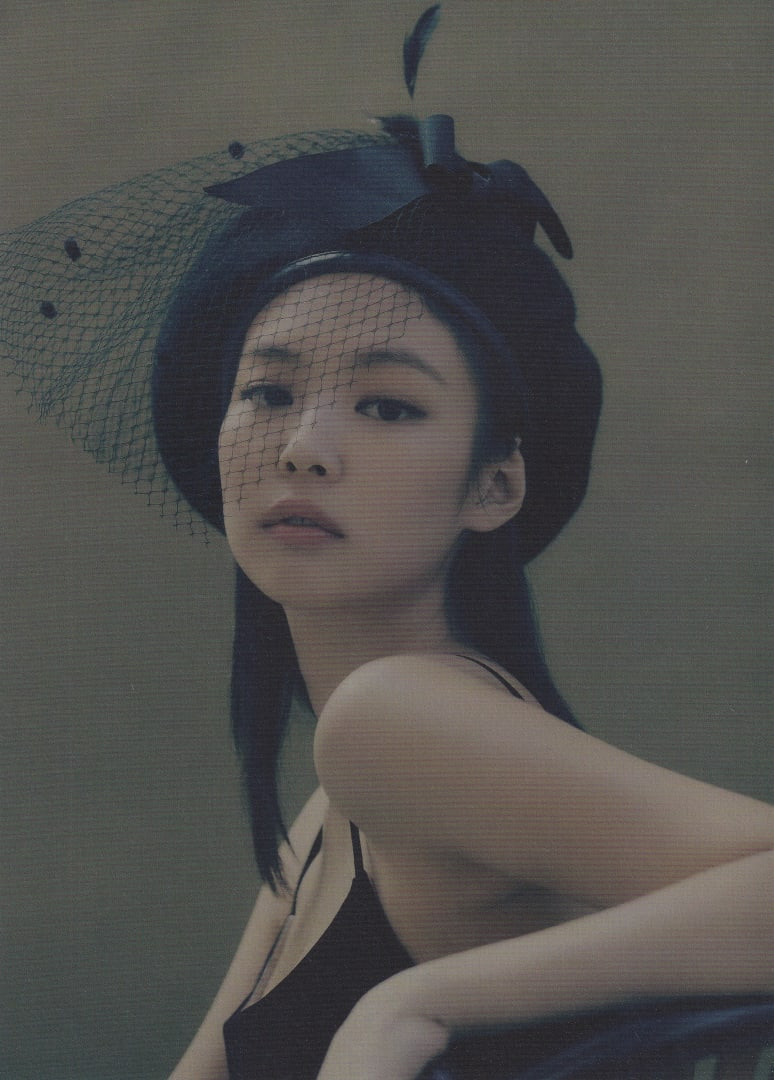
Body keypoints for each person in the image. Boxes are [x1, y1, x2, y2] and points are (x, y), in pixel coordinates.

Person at [3, 10, 772, 1080]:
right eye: (267, 392)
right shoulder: (340, 798)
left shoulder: (395, 722)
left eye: (388, 407)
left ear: (494, 485)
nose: (303, 448)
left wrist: (417, 1005)